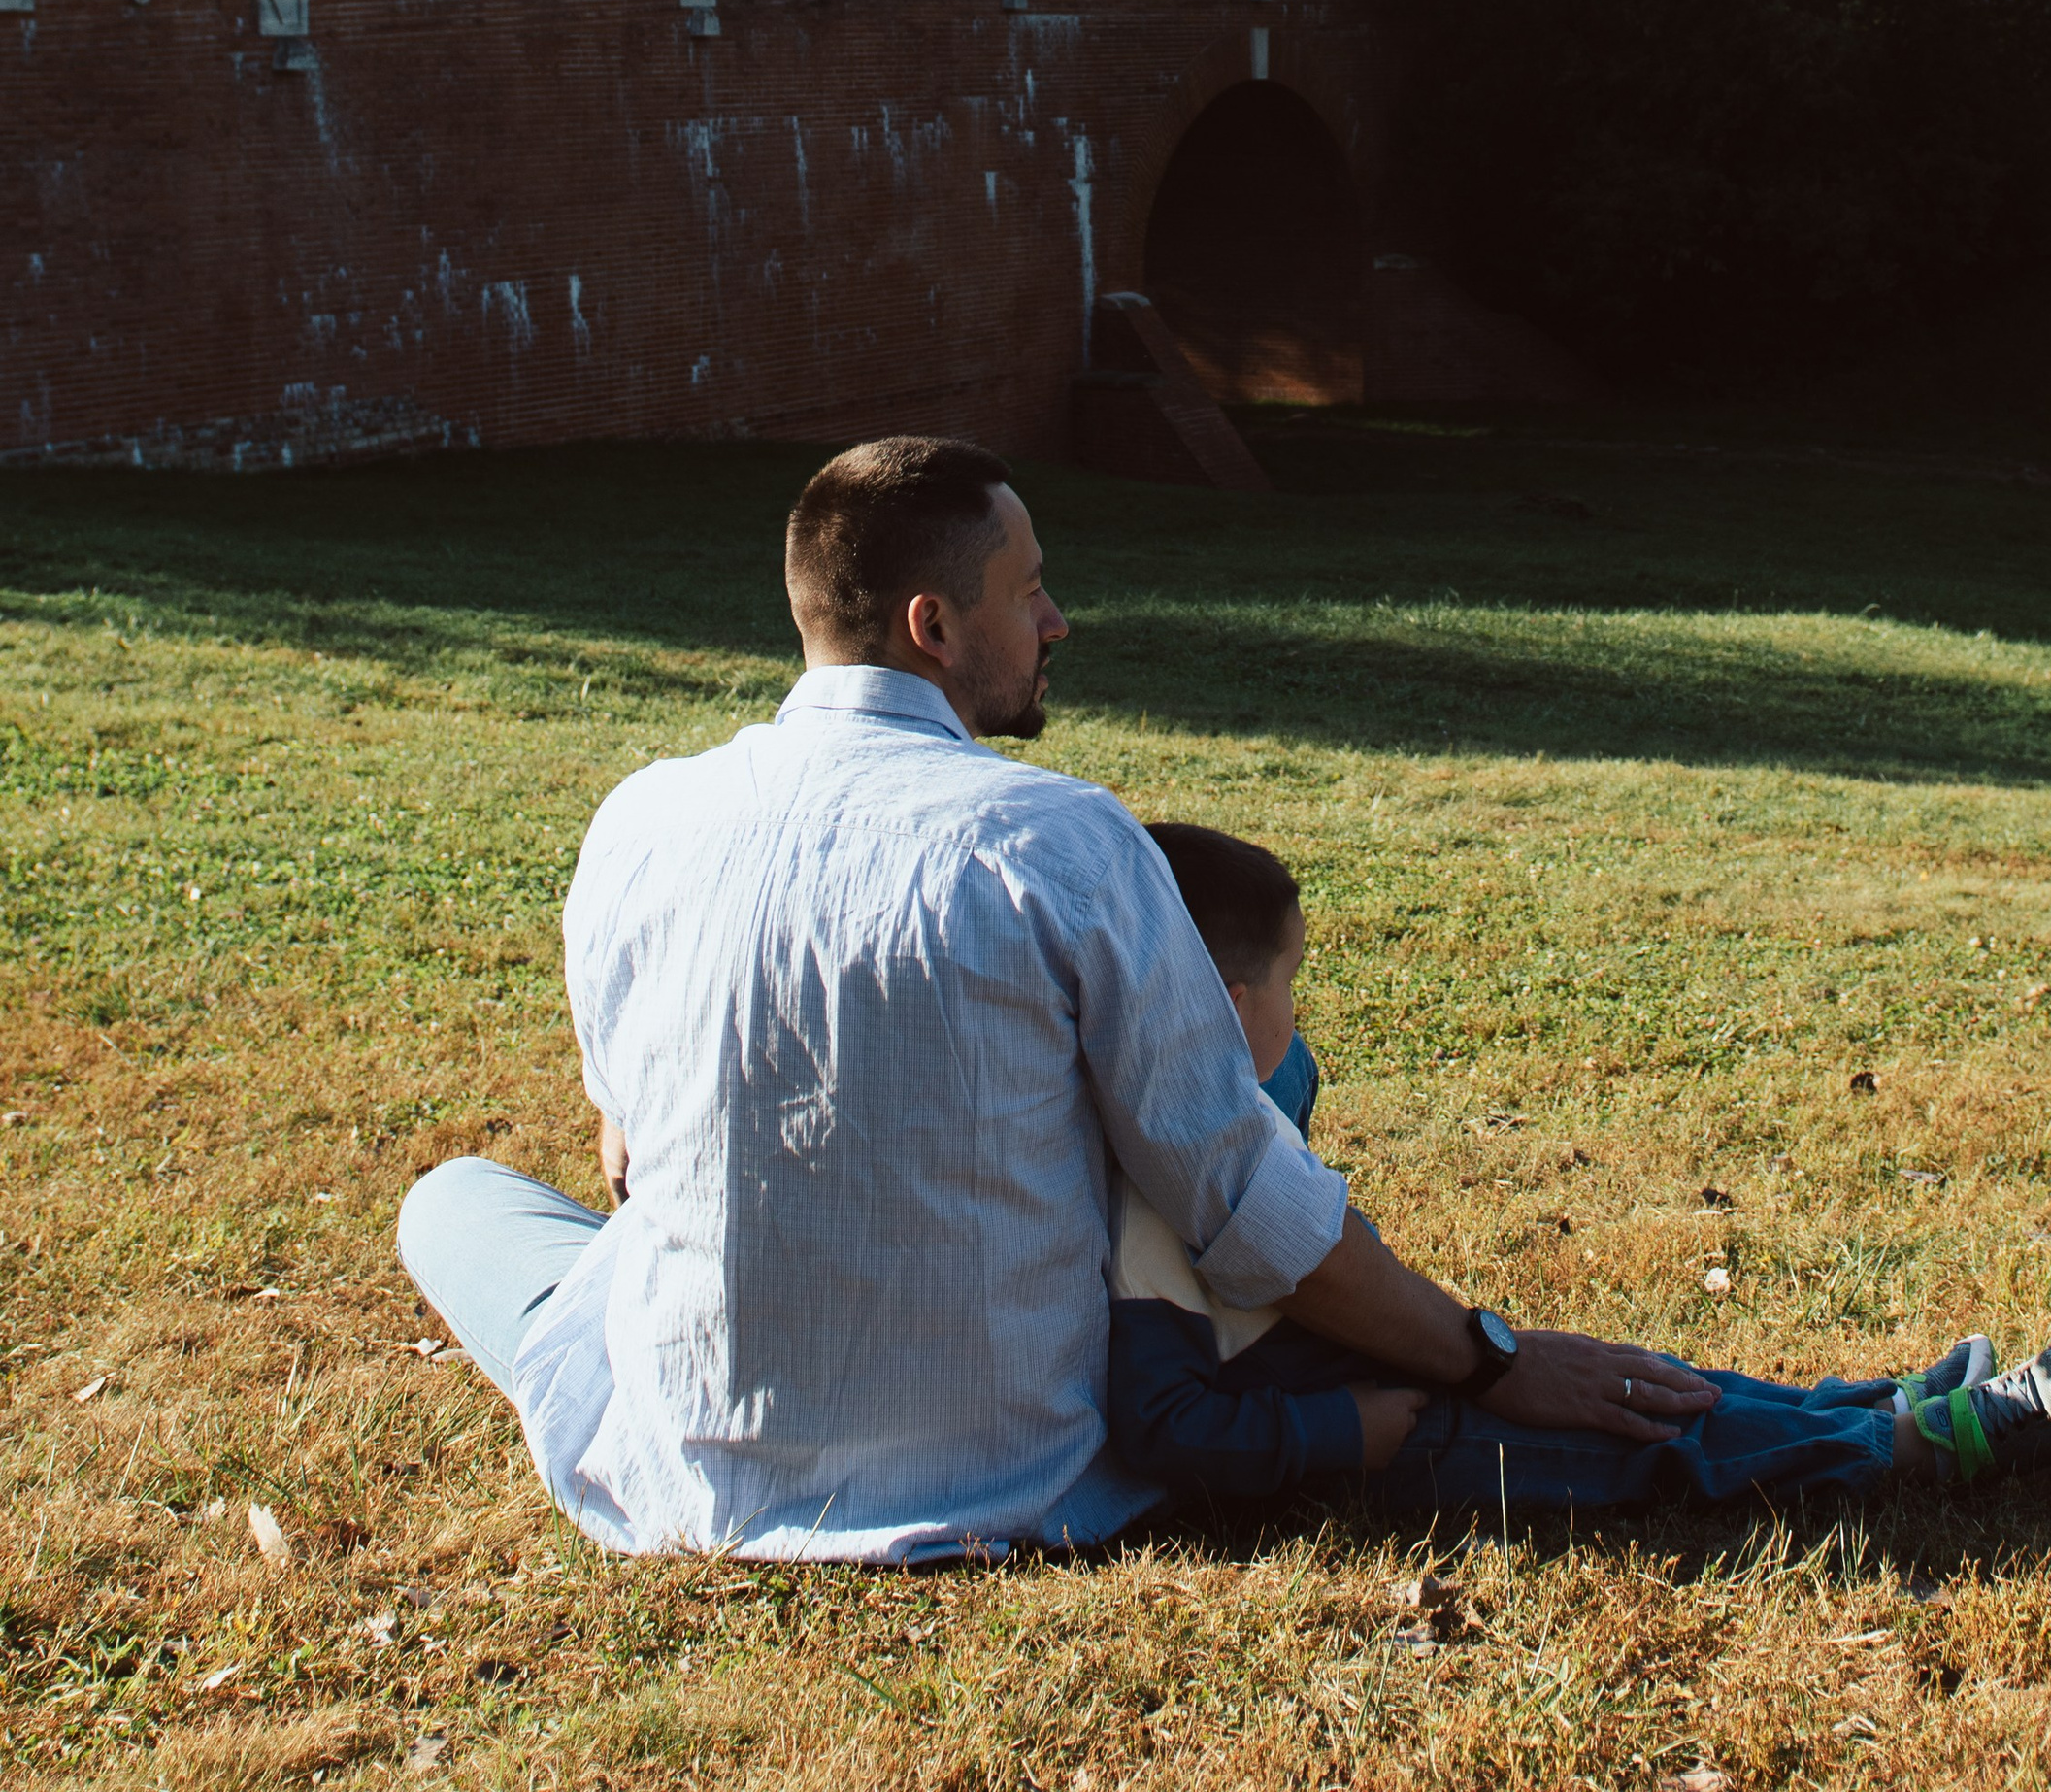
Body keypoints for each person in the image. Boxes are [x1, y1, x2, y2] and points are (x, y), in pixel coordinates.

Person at [395, 436, 1731, 1562]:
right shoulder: (1057, 841)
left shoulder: (641, 821)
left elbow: (629, 1158)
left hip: (690, 1468)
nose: (1055, 620)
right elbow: (1239, 1202)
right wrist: (1489, 1358)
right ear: (934, 625)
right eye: (1028, 591)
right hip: (1003, 1479)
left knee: (452, 1201)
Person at [1108, 821, 2051, 1517]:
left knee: (1638, 1384)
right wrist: (1344, 1434)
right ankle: (1931, 1445)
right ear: (1234, 1012)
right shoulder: (1150, 1218)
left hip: (1397, 1371)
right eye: (1292, 984)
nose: (1302, 1016)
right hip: (1386, 1438)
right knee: (1649, 1446)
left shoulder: (1216, 1115)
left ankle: (1865, 1405)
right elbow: (1165, 1426)